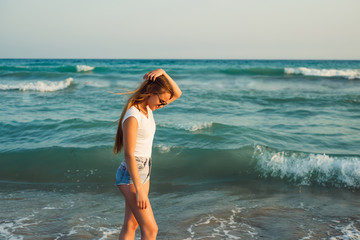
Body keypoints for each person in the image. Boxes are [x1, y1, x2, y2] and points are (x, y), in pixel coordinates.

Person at [112, 68, 182, 240]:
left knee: (131, 224)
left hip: (144, 172)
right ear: (151, 92)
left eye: (164, 103)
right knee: (151, 230)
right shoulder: (133, 116)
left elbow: (178, 93)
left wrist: (163, 73)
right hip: (131, 175)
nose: (162, 105)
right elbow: (128, 154)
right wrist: (140, 191)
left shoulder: (149, 109)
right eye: (161, 101)